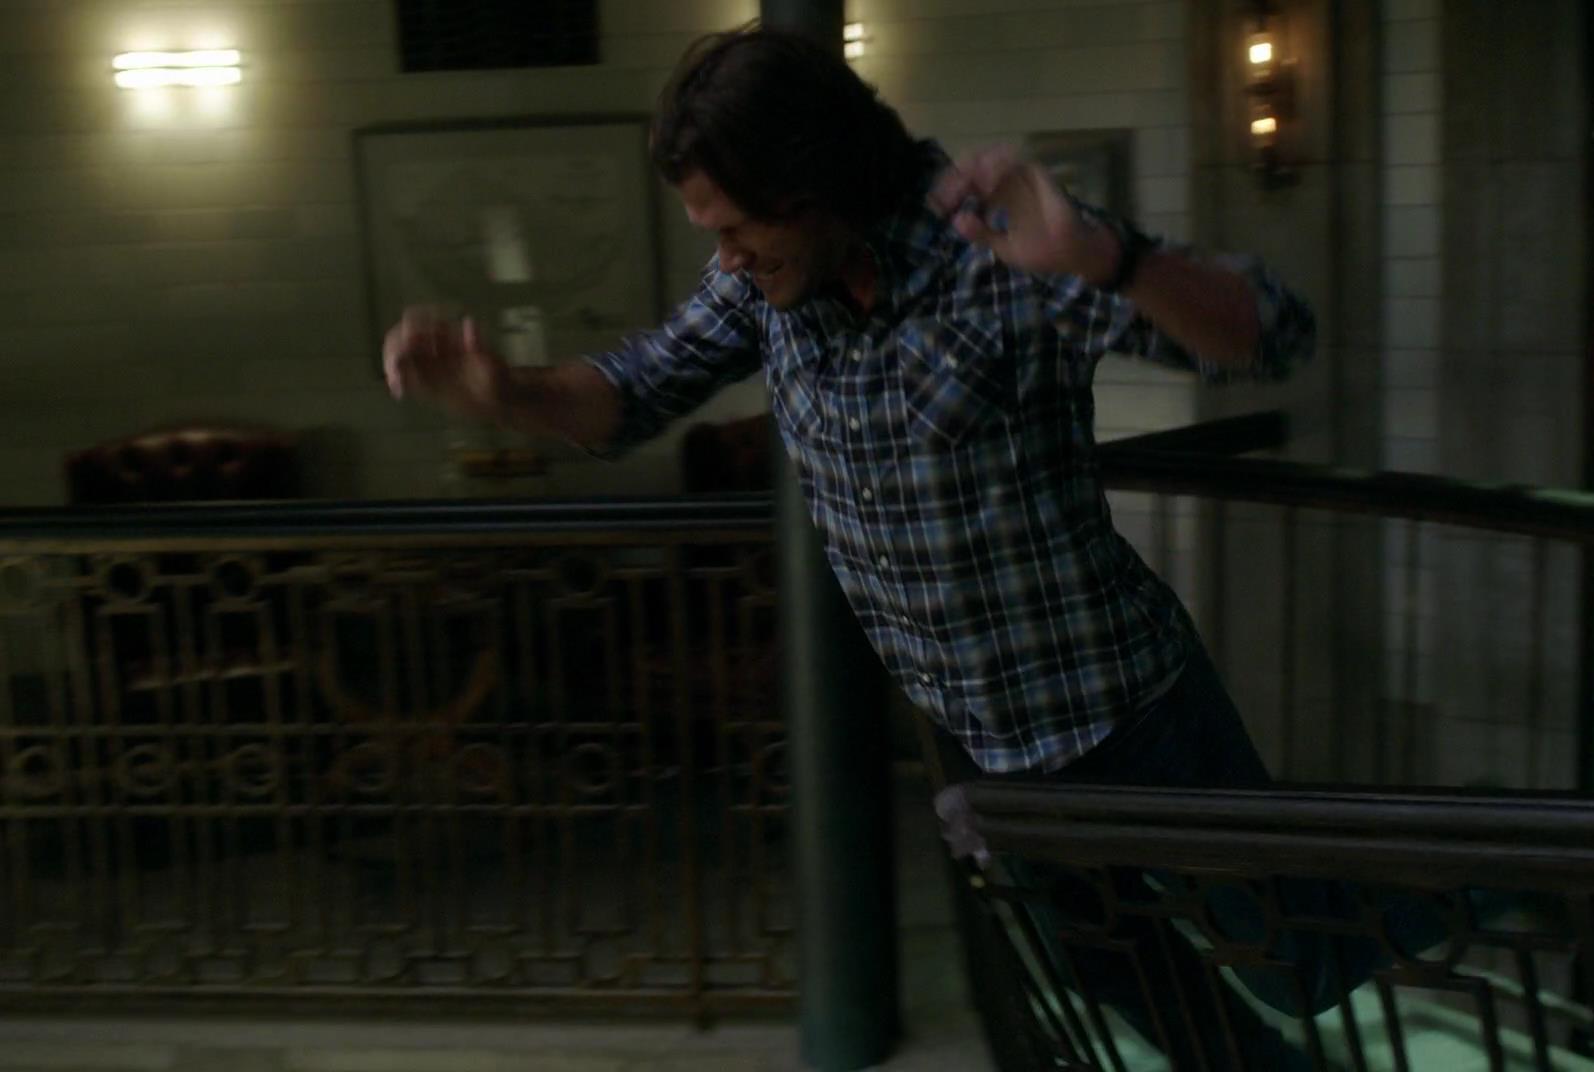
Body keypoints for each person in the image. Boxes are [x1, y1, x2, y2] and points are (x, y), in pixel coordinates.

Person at [382, 23, 1434, 1069]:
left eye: (738, 226)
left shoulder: (996, 248)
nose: (727, 256)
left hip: (1131, 713)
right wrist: (505, 392)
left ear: (813, 186)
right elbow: (630, 394)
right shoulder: (767, 287)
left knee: (1298, 959)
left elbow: (1276, 334)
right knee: (1128, 981)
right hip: (985, 743)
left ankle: (1504, 870)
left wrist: (1104, 257)